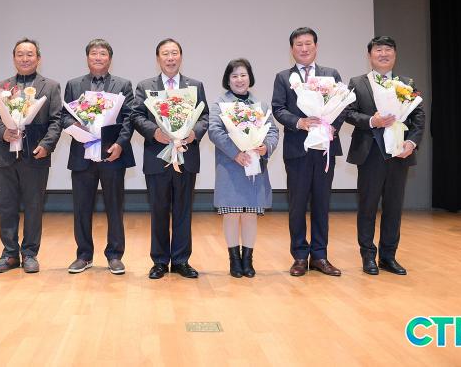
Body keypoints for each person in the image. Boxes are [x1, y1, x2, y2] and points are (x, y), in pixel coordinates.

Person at [344, 36, 425, 275]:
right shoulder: (357, 83)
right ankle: (368, 256)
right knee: (367, 207)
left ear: (395, 55)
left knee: (394, 207)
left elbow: (418, 117)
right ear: (369, 55)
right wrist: (372, 120)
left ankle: (388, 257)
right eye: (378, 50)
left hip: (399, 154)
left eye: (388, 49)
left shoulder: (407, 83)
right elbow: (348, 113)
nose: (383, 54)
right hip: (370, 154)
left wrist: (412, 142)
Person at [132, 38, 209, 279]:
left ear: (181, 57)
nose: (170, 58)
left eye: (174, 53)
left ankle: (181, 260)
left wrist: (194, 133)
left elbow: (204, 116)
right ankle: (159, 261)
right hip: (157, 157)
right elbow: (136, 116)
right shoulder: (145, 86)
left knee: (183, 210)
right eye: (165, 53)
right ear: (158, 58)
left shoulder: (194, 86)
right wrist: (154, 132)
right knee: (159, 210)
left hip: (186, 155)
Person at [272, 27, 345, 277]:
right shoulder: (284, 77)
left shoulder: (331, 74)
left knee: (322, 203)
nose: (304, 48)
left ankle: (320, 256)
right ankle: (300, 257)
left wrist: (332, 126)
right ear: (292, 49)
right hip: (297, 150)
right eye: (299, 44)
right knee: (297, 204)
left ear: (316, 46)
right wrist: (299, 122)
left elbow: (343, 106)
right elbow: (278, 108)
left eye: (308, 44)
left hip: (324, 148)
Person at [0, 38, 62, 274]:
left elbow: (57, 120)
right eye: (20, 54)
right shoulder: (2, 86)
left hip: (35, 155)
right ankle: (9, 254)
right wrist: (3, 132)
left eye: (30, 54)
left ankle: (29, 253)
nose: (25, 58)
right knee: (6, 206)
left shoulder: (50, 86)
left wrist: (47, 145)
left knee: (34, 206)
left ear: (38, 58)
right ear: (14, 58)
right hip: (5, 155)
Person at [61, 39, 135, 275]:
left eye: (103, 53)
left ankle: (115, 255)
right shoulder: (74, 84)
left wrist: (120, 144)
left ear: (110, 58)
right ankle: (84, 255)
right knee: (82, 208)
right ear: (87, 58)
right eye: (94, 53)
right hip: (82, 153)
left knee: (115, 206)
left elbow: (129, 118)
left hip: (112, 154)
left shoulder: (123, 84)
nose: (98, 57)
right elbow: (64, 116)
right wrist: (76, 127)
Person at [208, 59, 278, 278]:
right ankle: (234, 260)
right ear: (228, 80)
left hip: (255, 165)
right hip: (230, 166)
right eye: (234, 76)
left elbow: (273, 131)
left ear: (250, 78)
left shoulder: (260, 105)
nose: (239, 80)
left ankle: (248, 260)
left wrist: (266, 147)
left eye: (243, 75)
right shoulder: (220, 104)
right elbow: (215, 131)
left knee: (250, 214)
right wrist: (236, 153)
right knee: (231, 214)